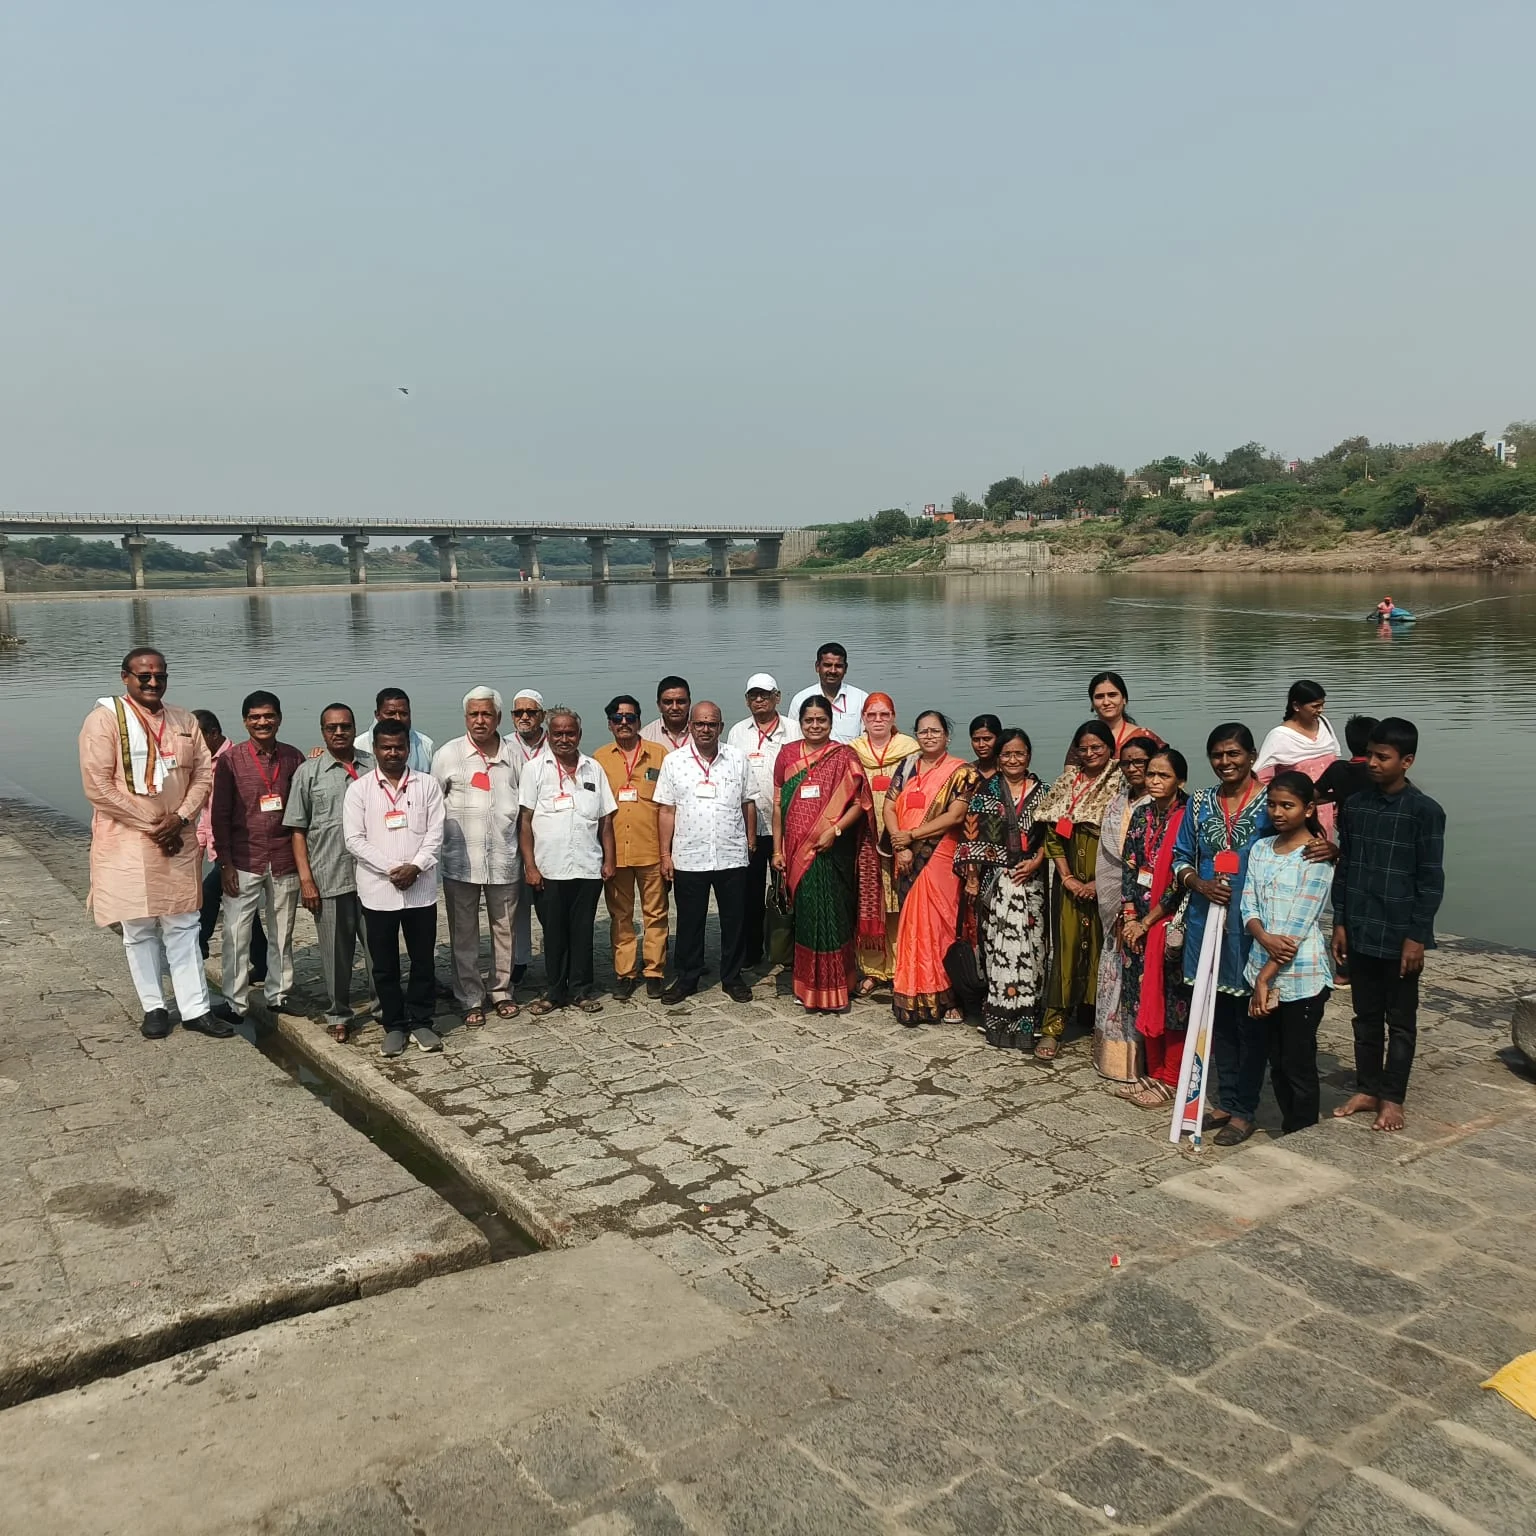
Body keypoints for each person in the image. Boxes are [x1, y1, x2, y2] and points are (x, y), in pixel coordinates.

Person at [1171, 724, 1334, 1145]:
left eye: (1234, 754)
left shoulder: (1271, 801)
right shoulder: (1201, 802)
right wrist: (1197, 883)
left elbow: (1303, 839)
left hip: (1252, 932)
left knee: (1250, 1024)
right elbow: (1180, 856)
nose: (1226, 762)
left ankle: (1244, 1109)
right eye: (1217, 755)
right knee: (1215, 1016)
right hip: (1206, 924)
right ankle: (1225, 1098)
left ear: (1251, 755)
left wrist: (1332, 847)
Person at [78, 648, 229, 1039]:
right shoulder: (105, 720)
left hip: (177, 837)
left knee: (183, 923)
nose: (152, 682)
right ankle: (154, 1007)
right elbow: (98, 786)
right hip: (127, 839)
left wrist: (178, 818)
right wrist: (152, 823)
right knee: (139, 926)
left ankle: (195, 1009)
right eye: (143, 676)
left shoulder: (184, 720)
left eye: (159, 675)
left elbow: (203, 773)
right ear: (125, 676)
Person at [1331, 717, 1445, 1134]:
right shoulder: (1357, 806)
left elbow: (1431, 880)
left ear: (1407, 761)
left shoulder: (1425, 812)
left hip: (1400, 934)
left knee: (1400, 1019)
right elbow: (1345, 867)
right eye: (1372, 756)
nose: (1374, 764)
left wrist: (1417, 935)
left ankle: (1392, 1097)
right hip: (1360, 926)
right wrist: (1339, 920)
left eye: (1384, 758)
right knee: (1364, 1015)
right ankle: (1367, 1087)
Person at [772, 695, 882, 1012]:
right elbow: (777, 806)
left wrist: (834, 831)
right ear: (801, 723)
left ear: (831, 723)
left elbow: (861, 804)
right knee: (806, 918)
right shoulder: (787, 755)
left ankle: (838, 984)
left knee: (835, 915)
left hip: (833, 851)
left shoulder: (843, 756)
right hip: (796, 853)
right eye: (809, 720)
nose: (815, 725)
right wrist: (777, 848)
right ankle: (806, 984)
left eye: (821, 720)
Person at [343, 718, 445, 1057]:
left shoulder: (427, 785)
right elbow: (354, 840)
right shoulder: (359, 789)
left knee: (422, 960)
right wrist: (392, 869)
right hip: (378, 890)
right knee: (384, 964)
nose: (392, 753)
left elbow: (436, 833)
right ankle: (394, 1024)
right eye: (385, 747)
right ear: (373, 750)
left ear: (407, 748)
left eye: (399, 747)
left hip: (421, 888)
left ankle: (421, 1020)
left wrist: (416, 866)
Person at [1243, 771, 1335, 1134]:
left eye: (1288, 805)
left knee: (1297, 1060)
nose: (1278, 812)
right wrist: (1261, 935)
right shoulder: (1261, 849)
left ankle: (1304, 1131)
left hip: (1300, 975)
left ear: (1309, 809)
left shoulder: (1315, 857)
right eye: (1272, 805)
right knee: (1275, 1060)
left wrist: (1265, 978)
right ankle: (1289, 1125)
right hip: (1261, 965)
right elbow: (1248, 901)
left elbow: (1300, 923)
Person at [210, 690, 305, 1022]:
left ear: (279, 718)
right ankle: (235, 1002)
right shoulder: (230, 761)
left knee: (283, 930)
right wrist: (225, 863)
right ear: (245, 721)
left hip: (284, 858)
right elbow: (218, 816)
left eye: (268, 715)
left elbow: (305, 811)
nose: (262, 722)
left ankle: (278, 993)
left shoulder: (294, 759)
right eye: (255, 717)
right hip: (244, 860)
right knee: (236, 933)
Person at [432, 687, 523, 1027]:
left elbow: (526, 806)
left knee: (505, 930)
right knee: (464, 931)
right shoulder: (448, 755)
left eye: (487, 714)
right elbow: (432, 803)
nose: (480, 720)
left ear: (498, 717)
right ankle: (470, 996)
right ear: (465, 717)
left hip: (504, 858)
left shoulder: (515, 755)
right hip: (460, 860)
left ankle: (501, 990)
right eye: (474, 714)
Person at [284, 703, 375, 1042]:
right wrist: (306, 880)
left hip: (372, 877)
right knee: (335, 954)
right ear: (323, 731)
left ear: (354, 728)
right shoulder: (309, 774)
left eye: (345, 726)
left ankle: (382, 1006)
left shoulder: (373, 765)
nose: (339, 732)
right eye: (331, 727)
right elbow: (297, 830)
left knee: (377, 950)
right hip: (329, 876)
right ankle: (339, 1012)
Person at [1035, 720, 1124, 1062]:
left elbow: (1126, 835)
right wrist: (1069, 878)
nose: (1090, 754)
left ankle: (1100, 1022)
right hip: (1069, 882)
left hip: (1109, 880)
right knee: (1067, 949)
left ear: (1109, 748)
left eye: (1097, 748)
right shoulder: (1068, 782)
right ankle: (1053, 1026)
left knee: (1105, 952)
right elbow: (1053, 834)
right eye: (1083, 748)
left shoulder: (1121, 782)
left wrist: (1100, 882)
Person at [954, 728, 1049, 1048]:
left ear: (1029, 756)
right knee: (998, 949)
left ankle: (1027, 1019)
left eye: (1019, 754)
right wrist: (971, 877)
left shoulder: (1045, 792)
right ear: (999, 757)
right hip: (994, 882)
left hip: (1031, 882)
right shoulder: (986, 791)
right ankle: (997, 1017)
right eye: (1007, 754)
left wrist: (1037, 860)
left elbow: (1057, 837)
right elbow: (972, 838)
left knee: (1031, 950)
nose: (1013, 760)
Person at [656, 702, 756, 1003]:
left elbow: (748, 803)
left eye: (712, 724)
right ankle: (687, 976)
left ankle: (732, 976)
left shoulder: (737, 759)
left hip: (731, 853)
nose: (705, 729)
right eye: (699, 724)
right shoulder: (674, 762)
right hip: (689, 854)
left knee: (734, 919)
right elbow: (666, 810)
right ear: (690, 726)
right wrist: (665, 854)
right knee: (689, 920)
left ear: (721, 727)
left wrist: (750, 843)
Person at [518, 708, 616, 1015]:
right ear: (550, 734)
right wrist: (530, 866)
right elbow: (525, 822)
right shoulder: (534, 770)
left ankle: (581, 990)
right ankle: (554, 992)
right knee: (554, 933)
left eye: (570, 733)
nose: (564, 739)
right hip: (549, 868)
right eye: (558, 733)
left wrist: (609, 860)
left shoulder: (593, 769)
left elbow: (606, 822)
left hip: (587, 866)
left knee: (583, 931)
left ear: (579, 735)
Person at [886, 711, 979, 1026]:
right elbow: (888, 805)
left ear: (947, 736)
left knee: (940, 926)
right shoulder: (907, 766)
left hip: (939, 856)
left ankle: (946, 996)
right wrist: (900, 845)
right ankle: (912, 992)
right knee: (911, 927)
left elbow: (955, 816)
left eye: (935, 731)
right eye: (923, 731)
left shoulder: (962, 772)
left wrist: (912, 836)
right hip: (905, 855)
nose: (928, 736)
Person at [1119, 748, 1191, 1109]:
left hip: (1173, 923)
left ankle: (1172, 1078)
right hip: (1139, 922)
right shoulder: (1142, 814)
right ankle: (1154, 1072)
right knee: (1143, 995)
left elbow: (1183, 880)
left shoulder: (1189, 817)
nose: (1156, 782)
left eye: (1164, 776)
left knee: (1173, 1000)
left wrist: (1148, 921)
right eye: (1151, 775)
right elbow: (1130, 867)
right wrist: (1131, 917)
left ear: (1181, 780)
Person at [594, 694, 668, 999]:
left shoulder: (659, 754)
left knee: (656, 913)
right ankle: (625, 972)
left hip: (651, 848)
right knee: (621, 915)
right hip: (616, 852)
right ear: (609, 723)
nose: (624, 723)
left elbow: (669, 805)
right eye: (617, 718)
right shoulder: (599, 759)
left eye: (630, 717)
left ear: (639, 720)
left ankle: (655, 970)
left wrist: (668, 853)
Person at [726, 674, 799, 969]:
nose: (759, 700)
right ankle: (751, 950)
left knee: (788, 888)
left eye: (765, 695)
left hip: (789, 824)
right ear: (746, 700)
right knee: (750, 891)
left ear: (777, 697)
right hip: (750, 827)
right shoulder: (737, 733)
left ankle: (788, 950)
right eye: (754, 696)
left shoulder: (794, 729)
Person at [1092, 737, 1154, 1081]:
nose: (1133, 769)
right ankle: (1115, 1059)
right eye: (1127, 763)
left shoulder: (1161, 806)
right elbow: (1107, 859)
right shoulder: (1116, 803)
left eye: (1140, 762)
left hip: (1148, 907)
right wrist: (1115, 902)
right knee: (1114, 973)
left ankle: (1147, 1061)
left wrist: (1138, 910)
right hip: (1115, 903)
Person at [849, 694, 918, 990]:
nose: (878, 720)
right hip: (863, 837)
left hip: (901, 836)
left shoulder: (910, 749)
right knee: (869, 902)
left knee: (901, 903)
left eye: (884, 714)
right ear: (863, 718)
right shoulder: (852, 751)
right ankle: (873, 969)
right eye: (872, 715)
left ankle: (903, 964)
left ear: (893, 717)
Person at [193, 708, 266, 984]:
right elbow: (206, 813)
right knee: (246, 911)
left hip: (237, 851)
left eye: (197, 737)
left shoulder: (235, 761)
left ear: (213, 734)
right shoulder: (202, 764)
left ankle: (197, 948)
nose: (191, 744)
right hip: (219, 849)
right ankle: (263, 963)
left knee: (210, 896)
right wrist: (198, 851)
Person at [1255, 680, 1342, 833]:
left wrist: (1337, 808)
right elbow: (1261, 780)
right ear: (1296, 706)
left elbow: (1336, 769)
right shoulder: (1280, 736)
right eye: (1315, 706)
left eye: (1322, 705)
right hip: (1294, 815)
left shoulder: (1324, 725)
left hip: (1325, 810)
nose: (1320, 710)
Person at [508, 688, 549, 983]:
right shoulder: (503, 747)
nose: (524, 717)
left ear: (542, 716)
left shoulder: (557, 744)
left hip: (548, 836)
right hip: (511, 837)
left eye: (530, 712)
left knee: (550, 903)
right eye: (518, 712)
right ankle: (519, 959)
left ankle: (555, 956)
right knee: (516, 905)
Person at [789, 642, 869, 745]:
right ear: (817, 667)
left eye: (838, 666)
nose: (833, 671)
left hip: (851, 759)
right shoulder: (801, 699)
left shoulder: (861, 698)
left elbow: (868, 739)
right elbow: (793, 738)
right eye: (827, 665)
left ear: (846, 669)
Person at [354, 688, 435, 773]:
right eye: (390, 713)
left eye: (403, 714)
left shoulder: (426, 745)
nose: (398, 719)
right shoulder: (358, 745)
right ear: (377, 714)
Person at [1084, 672, 1159, 757]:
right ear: (1092, 703)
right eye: (1099, 697)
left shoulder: (1144, 736)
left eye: (1112, 695)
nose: (1106, 702)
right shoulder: (1084, 738)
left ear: (1124, 699)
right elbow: (1070, 769)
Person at [1315, 714, 1379, 810]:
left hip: (1346, 823)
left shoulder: (1337, 769)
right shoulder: (1380, 770)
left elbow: (1310, 796)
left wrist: (1337, 795)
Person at [641, 676, 692, 753]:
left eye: (680, 701)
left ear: (689, 703)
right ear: (659, 705)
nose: (675, 707)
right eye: (668, 702)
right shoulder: (646, 736)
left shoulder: (703, 732)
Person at [968, 715, 1003, 779]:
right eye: (976, 740)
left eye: (987, 739)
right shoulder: (966, 772)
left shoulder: (1009, 770)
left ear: (999, 738)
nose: (981, 745)